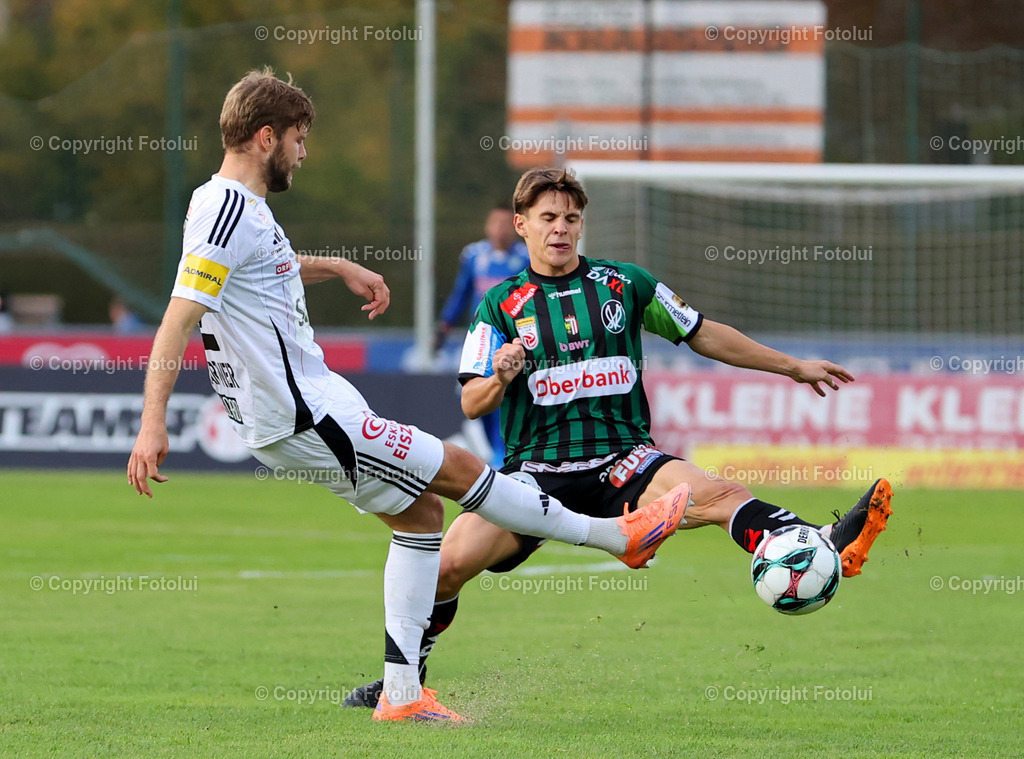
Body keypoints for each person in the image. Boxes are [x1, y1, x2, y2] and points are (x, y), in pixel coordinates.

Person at [125, 73, 686, 724]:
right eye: (300, 141)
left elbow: (262, 265)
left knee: (421, 515)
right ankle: (617, 535)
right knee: (459, 468)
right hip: (304, 412)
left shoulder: (232, 208)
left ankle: (401, 694)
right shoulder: (227, 209)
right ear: (266, 137)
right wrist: (150, 424)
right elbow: (176, 318)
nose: (304, 155)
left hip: (309, 406)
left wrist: (337, 266)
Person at [343, 167, 894, 709]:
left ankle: (822, 542)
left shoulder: (624, 285)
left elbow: (702, 333)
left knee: (721, 496)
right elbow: (470, 401)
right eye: (548, 217)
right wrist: (501, 376)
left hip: (625, 461)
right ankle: (404, 686)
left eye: (571, 217)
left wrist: (791, 366)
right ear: (522, 224)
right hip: (537, 476)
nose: (560, 228)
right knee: (445, 565)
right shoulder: (500, 306)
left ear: (581, 226)